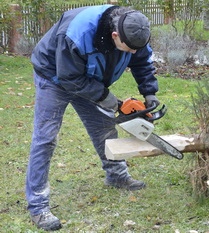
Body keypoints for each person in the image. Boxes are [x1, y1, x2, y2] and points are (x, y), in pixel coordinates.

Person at [26, 5, 159, 231]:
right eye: (129, 48)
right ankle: (38, 205)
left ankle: (117, 175)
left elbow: (141, 61)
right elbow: (69, 78)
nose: (133, 52)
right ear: (115, 35)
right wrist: (109, 99)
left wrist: (149, 93)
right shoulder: (75, 34)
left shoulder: (133, 29)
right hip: (54, 76)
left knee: (104, 127)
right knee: (46, 138)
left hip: (87, 76)